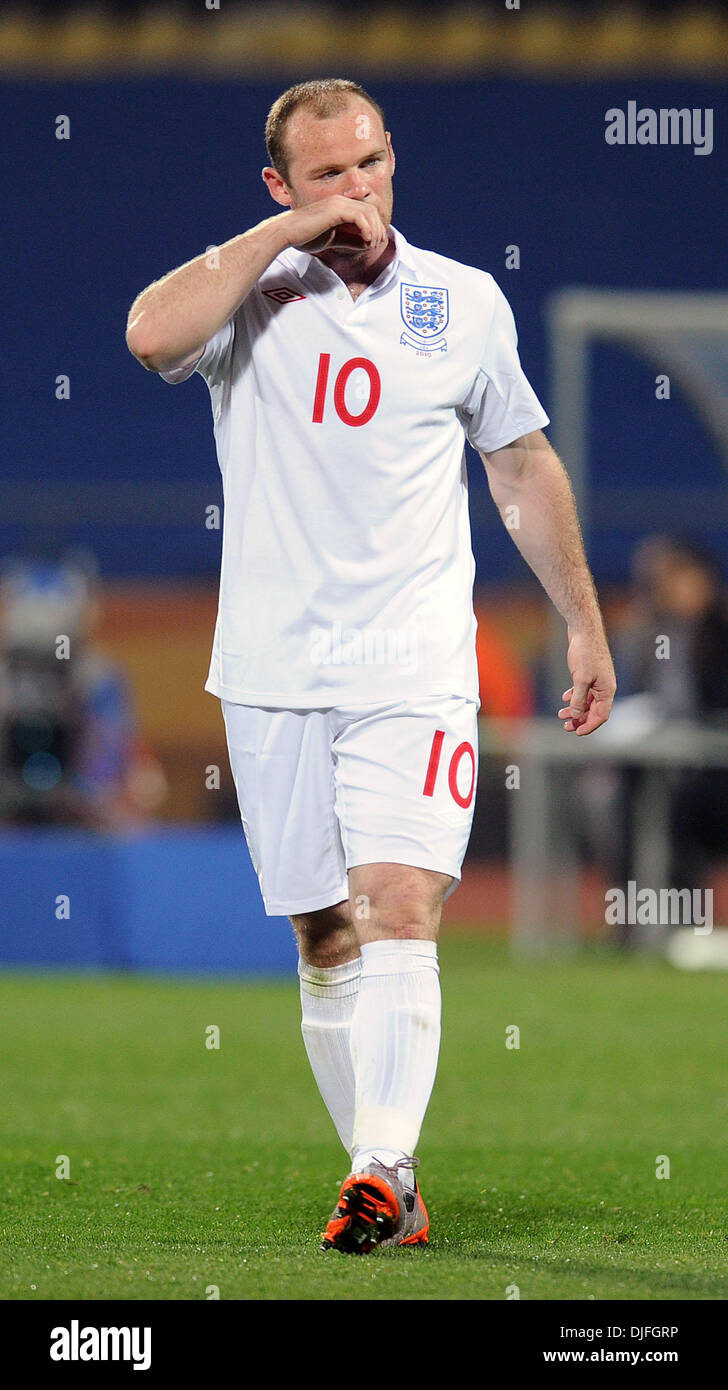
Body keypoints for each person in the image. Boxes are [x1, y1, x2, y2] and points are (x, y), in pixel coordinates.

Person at [126, 78, 615, 1254]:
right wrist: (280, 240)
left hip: (412, 660)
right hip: (273, 667)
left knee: (396, 902)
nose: (359, 190)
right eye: (330, 174)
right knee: (320, 933)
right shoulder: (250, 290)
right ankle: (385, 1186)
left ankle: (382, 1165)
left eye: (374, 164)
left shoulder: (461, 299)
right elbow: (148, 334)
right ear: (281, 185)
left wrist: (585, 625)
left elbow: (519, 467)